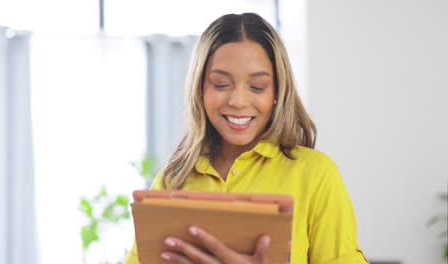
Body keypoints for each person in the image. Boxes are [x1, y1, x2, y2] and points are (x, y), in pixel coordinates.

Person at [125, 13, 368, 264]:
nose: (238, 101)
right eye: (220, 84)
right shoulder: (171, 181)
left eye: (257, 87)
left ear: (277, 91)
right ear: (199, 89)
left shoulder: (315, 174)